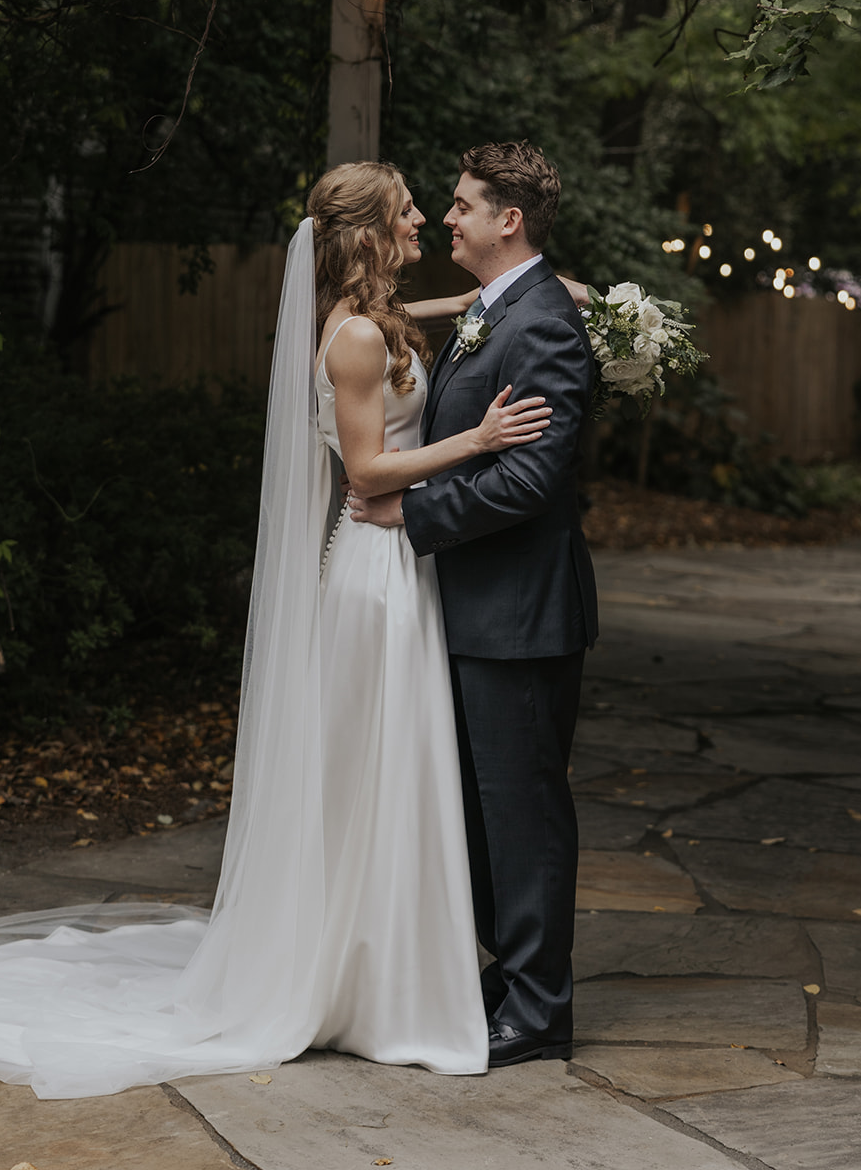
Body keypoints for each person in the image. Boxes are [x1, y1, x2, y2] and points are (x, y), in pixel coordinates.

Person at [0, 160, 554, 1097]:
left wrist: (520, 297)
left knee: (389, 768)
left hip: (400, 566)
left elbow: (425, 318)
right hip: (372, 566)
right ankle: (361, 978)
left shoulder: (376, 320)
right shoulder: (352, 337)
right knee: (373, 767)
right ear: (362, 235)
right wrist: (478, 440)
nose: (421, 225)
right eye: (403, 216)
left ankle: (383, 964)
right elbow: (365, 472)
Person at [349, 141, 598, 1068]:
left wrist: (407, 510)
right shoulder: (498, 308)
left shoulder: (539, 324)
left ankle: (538, 1010)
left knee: (523, 814)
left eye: (460, 206)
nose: (444, 219)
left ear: (510, 222)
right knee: (479, 813)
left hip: (521, 617)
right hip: (470, 610)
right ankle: (511, 972)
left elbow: (530, 479)